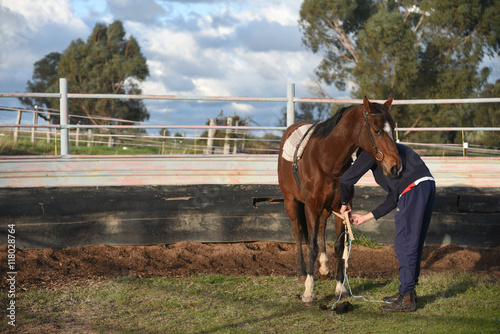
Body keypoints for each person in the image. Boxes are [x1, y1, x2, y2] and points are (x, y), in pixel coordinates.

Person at [339, 143, 435, 312]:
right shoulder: (390, 152)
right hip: (426, 184)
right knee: (413, 241)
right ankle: (407, 292)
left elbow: (346, 180)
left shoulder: (372, 149)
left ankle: (406, 298)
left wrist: (344, 202)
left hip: (413, 188)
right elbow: (393, 198)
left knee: (404, 243)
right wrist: (364, 218)